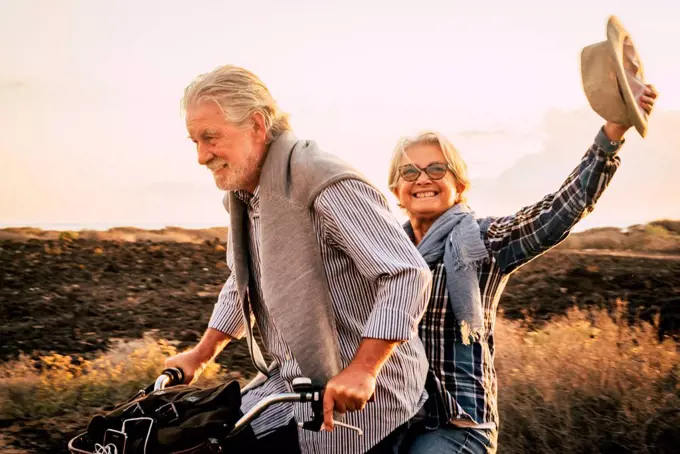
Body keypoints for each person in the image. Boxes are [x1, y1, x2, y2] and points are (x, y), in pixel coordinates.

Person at [164, 64, 433, 454]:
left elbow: (406, 274)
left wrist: (363, 369)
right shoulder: (246, 195)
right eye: (195, 142)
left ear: (257, 125)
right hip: (292, 382)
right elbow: (243, 278)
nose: (202, 156)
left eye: (211, 137)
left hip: (368, 399)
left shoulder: (322, 181)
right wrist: (201, 354)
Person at [387, 85, 658, 451]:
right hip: (392, 422)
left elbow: (558, 211)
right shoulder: (385, 252)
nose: (423, 179)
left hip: (457, 424)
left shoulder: (483, 240)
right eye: (410, 171)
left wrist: (611, 134)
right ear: (395, 186)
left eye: (437, 168)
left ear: (459, 183)